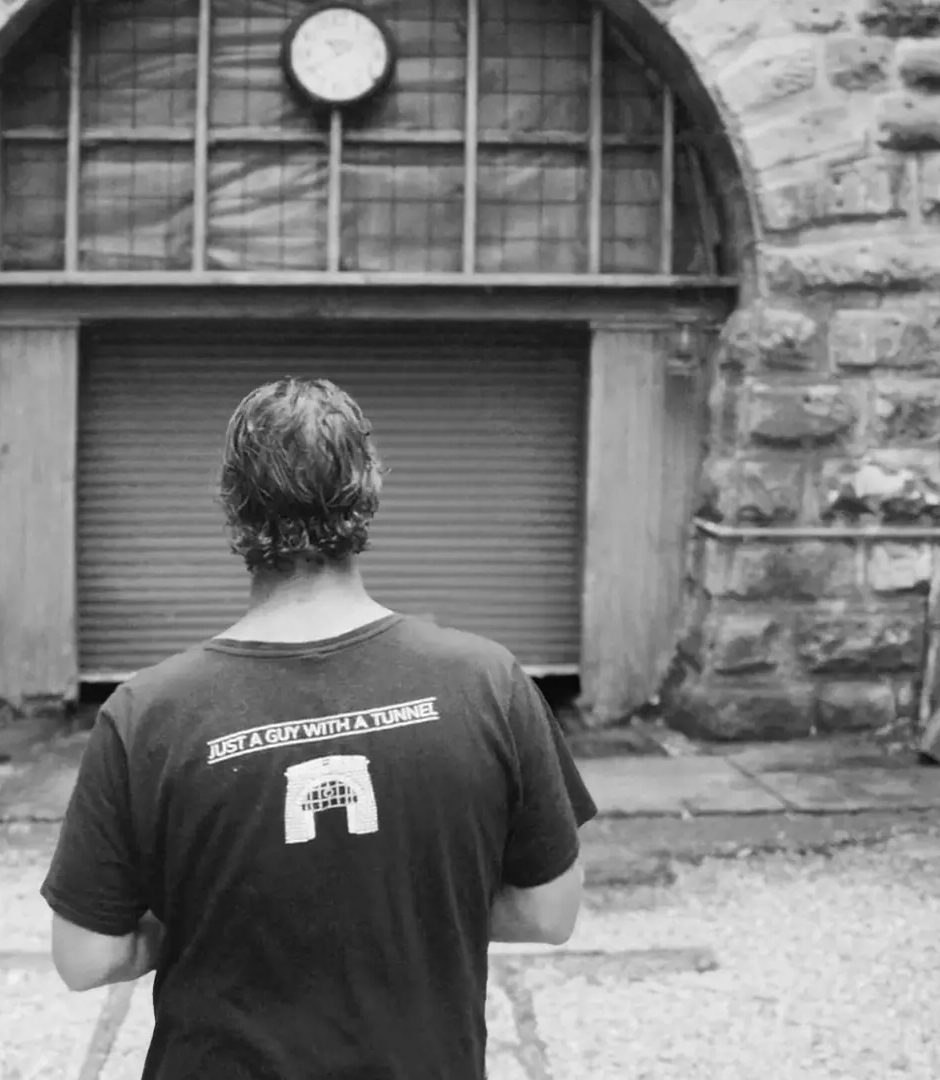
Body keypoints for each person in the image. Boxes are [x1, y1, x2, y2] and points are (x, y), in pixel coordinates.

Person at [41, 375, 599, 1079]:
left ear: (233, 505)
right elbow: (550, 913)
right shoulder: (488, 683)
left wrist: (205, 919)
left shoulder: (146, 713)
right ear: (367, 491)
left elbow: (86, 955)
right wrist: (412, 915)